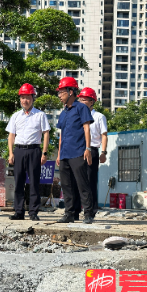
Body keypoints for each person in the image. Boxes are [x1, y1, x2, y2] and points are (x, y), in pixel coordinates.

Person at [6, 83, 50, 221]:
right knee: (19, 182)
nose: (25, 100)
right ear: (20, 99)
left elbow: (46, 134)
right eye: (22, 97)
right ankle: (19, 212)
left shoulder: (40, 115)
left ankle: (33, 212)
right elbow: (11, 136)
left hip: (34, 151)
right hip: (19, 150)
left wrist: (44, 153)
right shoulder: (15, 116)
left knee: (34, 182)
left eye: (28, 97)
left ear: (33, 98)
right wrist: (11, 153)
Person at [55, 77, 94, 224]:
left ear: (71, 92)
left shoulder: (81, 108)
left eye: (61, 92)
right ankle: (69, 213)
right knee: (66, 185)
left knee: (82, 184)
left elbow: (86, 128)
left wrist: (88, 148)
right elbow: (61, 135)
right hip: (64, 153)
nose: (59, 95)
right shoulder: (63, 112)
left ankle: (88, 213)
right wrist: (59, 153)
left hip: (78, 152)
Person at [78, 87, 108, 216]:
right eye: (80, 99)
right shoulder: (77, 116)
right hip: (78, 151)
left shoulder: (99, 117)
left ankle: (91, 209)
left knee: (90, 181)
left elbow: (104, 135)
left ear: (92, 101)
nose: (82, 102)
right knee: (78, 181)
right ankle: (78, 208)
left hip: (93, 150)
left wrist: (103, 152)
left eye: (85, 100)